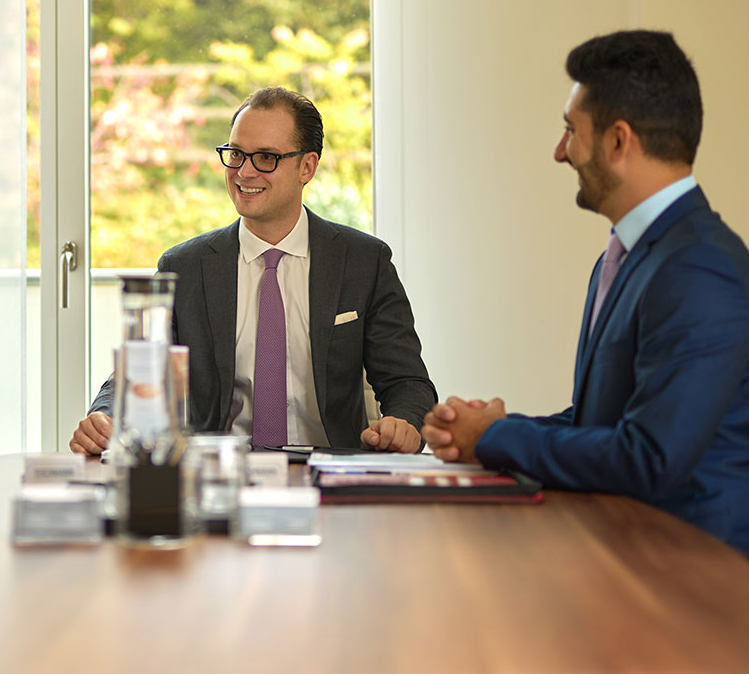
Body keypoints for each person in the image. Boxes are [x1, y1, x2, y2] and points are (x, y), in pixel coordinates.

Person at [422, 30, 749, 555]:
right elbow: (602, 422)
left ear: (618, 142)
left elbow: (649, 457)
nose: (561, 152)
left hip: (692, 568)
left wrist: (494, 437)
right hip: (624, 552)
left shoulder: (700, 267)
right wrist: (488, 430)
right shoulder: (624, 258)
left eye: (571, 130)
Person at [72, 87, 436, 454]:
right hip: (220, 470)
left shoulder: (363, 262)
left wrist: (404, 423)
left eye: (266, 157)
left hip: (330, 469)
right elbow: (139, 372)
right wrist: (104, 417)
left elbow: (407, 382)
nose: (244, 171)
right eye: (236, 154)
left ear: (307, 167)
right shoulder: (184, 268)